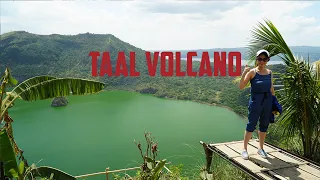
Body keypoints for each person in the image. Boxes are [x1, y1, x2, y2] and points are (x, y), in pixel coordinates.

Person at [239, 49, 275, 160]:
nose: (262, 61)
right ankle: (244, 149)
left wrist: (274, 103)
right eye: (260, 59)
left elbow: (271, 88)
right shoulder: (252, 72)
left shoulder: (269, 73)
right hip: (255, 102)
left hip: (267, 102)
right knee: (251, 125)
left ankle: (261, 148)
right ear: (257, 60)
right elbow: (241, 86)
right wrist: (244, 72)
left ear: (268, 60)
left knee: (264, 125)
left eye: (264, 59)